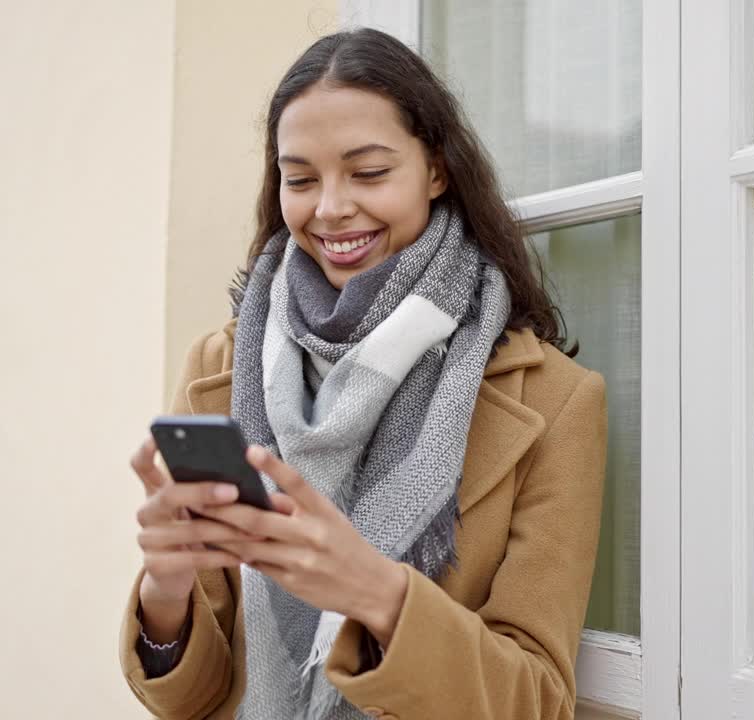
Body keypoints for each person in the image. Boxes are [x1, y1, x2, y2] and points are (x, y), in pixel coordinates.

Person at [119, 27, 606, 720]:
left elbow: (536, 701)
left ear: (436, 169)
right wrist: (165, 595)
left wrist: (377, 594)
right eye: (301, 179)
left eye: (369, 172)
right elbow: (192, 700)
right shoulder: (222, 368)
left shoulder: (556, 403)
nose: (330, 208)